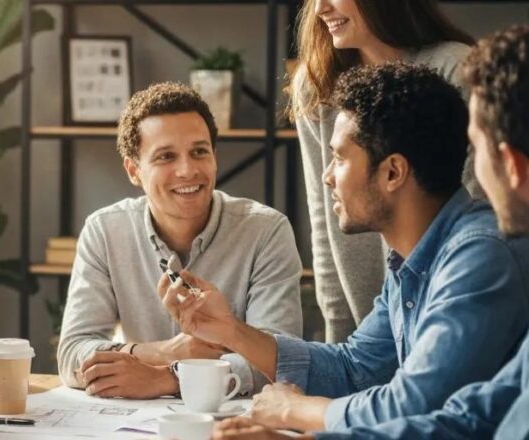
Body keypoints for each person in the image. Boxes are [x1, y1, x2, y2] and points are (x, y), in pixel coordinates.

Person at [161, 63, 529, 432]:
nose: (327, 176)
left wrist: (295, 410)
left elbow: (414, 404)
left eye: (339, 158)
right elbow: (355, 368)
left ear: (392, 172)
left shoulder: (480, 255)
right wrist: (231, 331)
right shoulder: (412, 257)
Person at [57, 82, 303, 399]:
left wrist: (167, 378)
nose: (187, 171)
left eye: (199, 152)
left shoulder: (266, 231)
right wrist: (162, 353)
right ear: (134, 170)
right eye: (166, 157)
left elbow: (282, 360)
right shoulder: (105, 231)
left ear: (214, 157)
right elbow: (73, 354)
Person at [292, 0, 479, 342]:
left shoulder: (454, 68)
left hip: (453, 317)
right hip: (368, 334)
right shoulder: (317, 81)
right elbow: (325, 223)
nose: (320, 8)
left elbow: (478, 212)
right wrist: (341, 338)